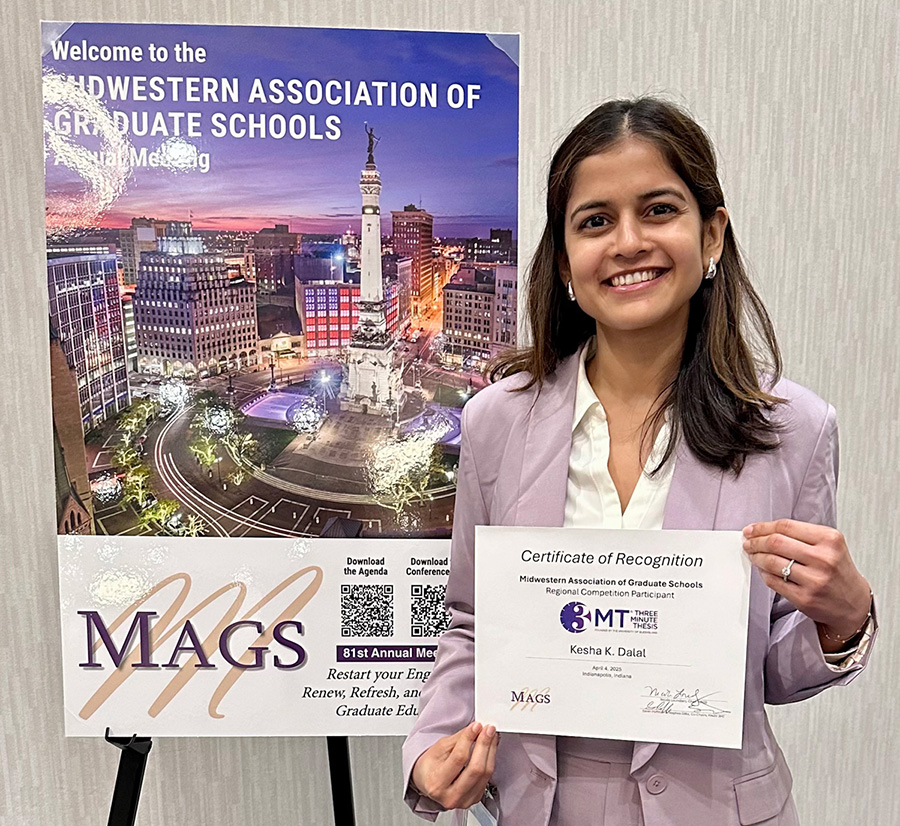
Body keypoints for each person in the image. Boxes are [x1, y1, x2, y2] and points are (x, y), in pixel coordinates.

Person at [401, 97, 877, 826]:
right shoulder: (498, 421)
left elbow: (767, 672)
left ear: (711, 235)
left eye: (658, 210)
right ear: (564, 259)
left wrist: (841, 626)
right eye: (595, 221)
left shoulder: (793, 428)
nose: (628, 242)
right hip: (539, 809)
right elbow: (471, 621)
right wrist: (432, 745)